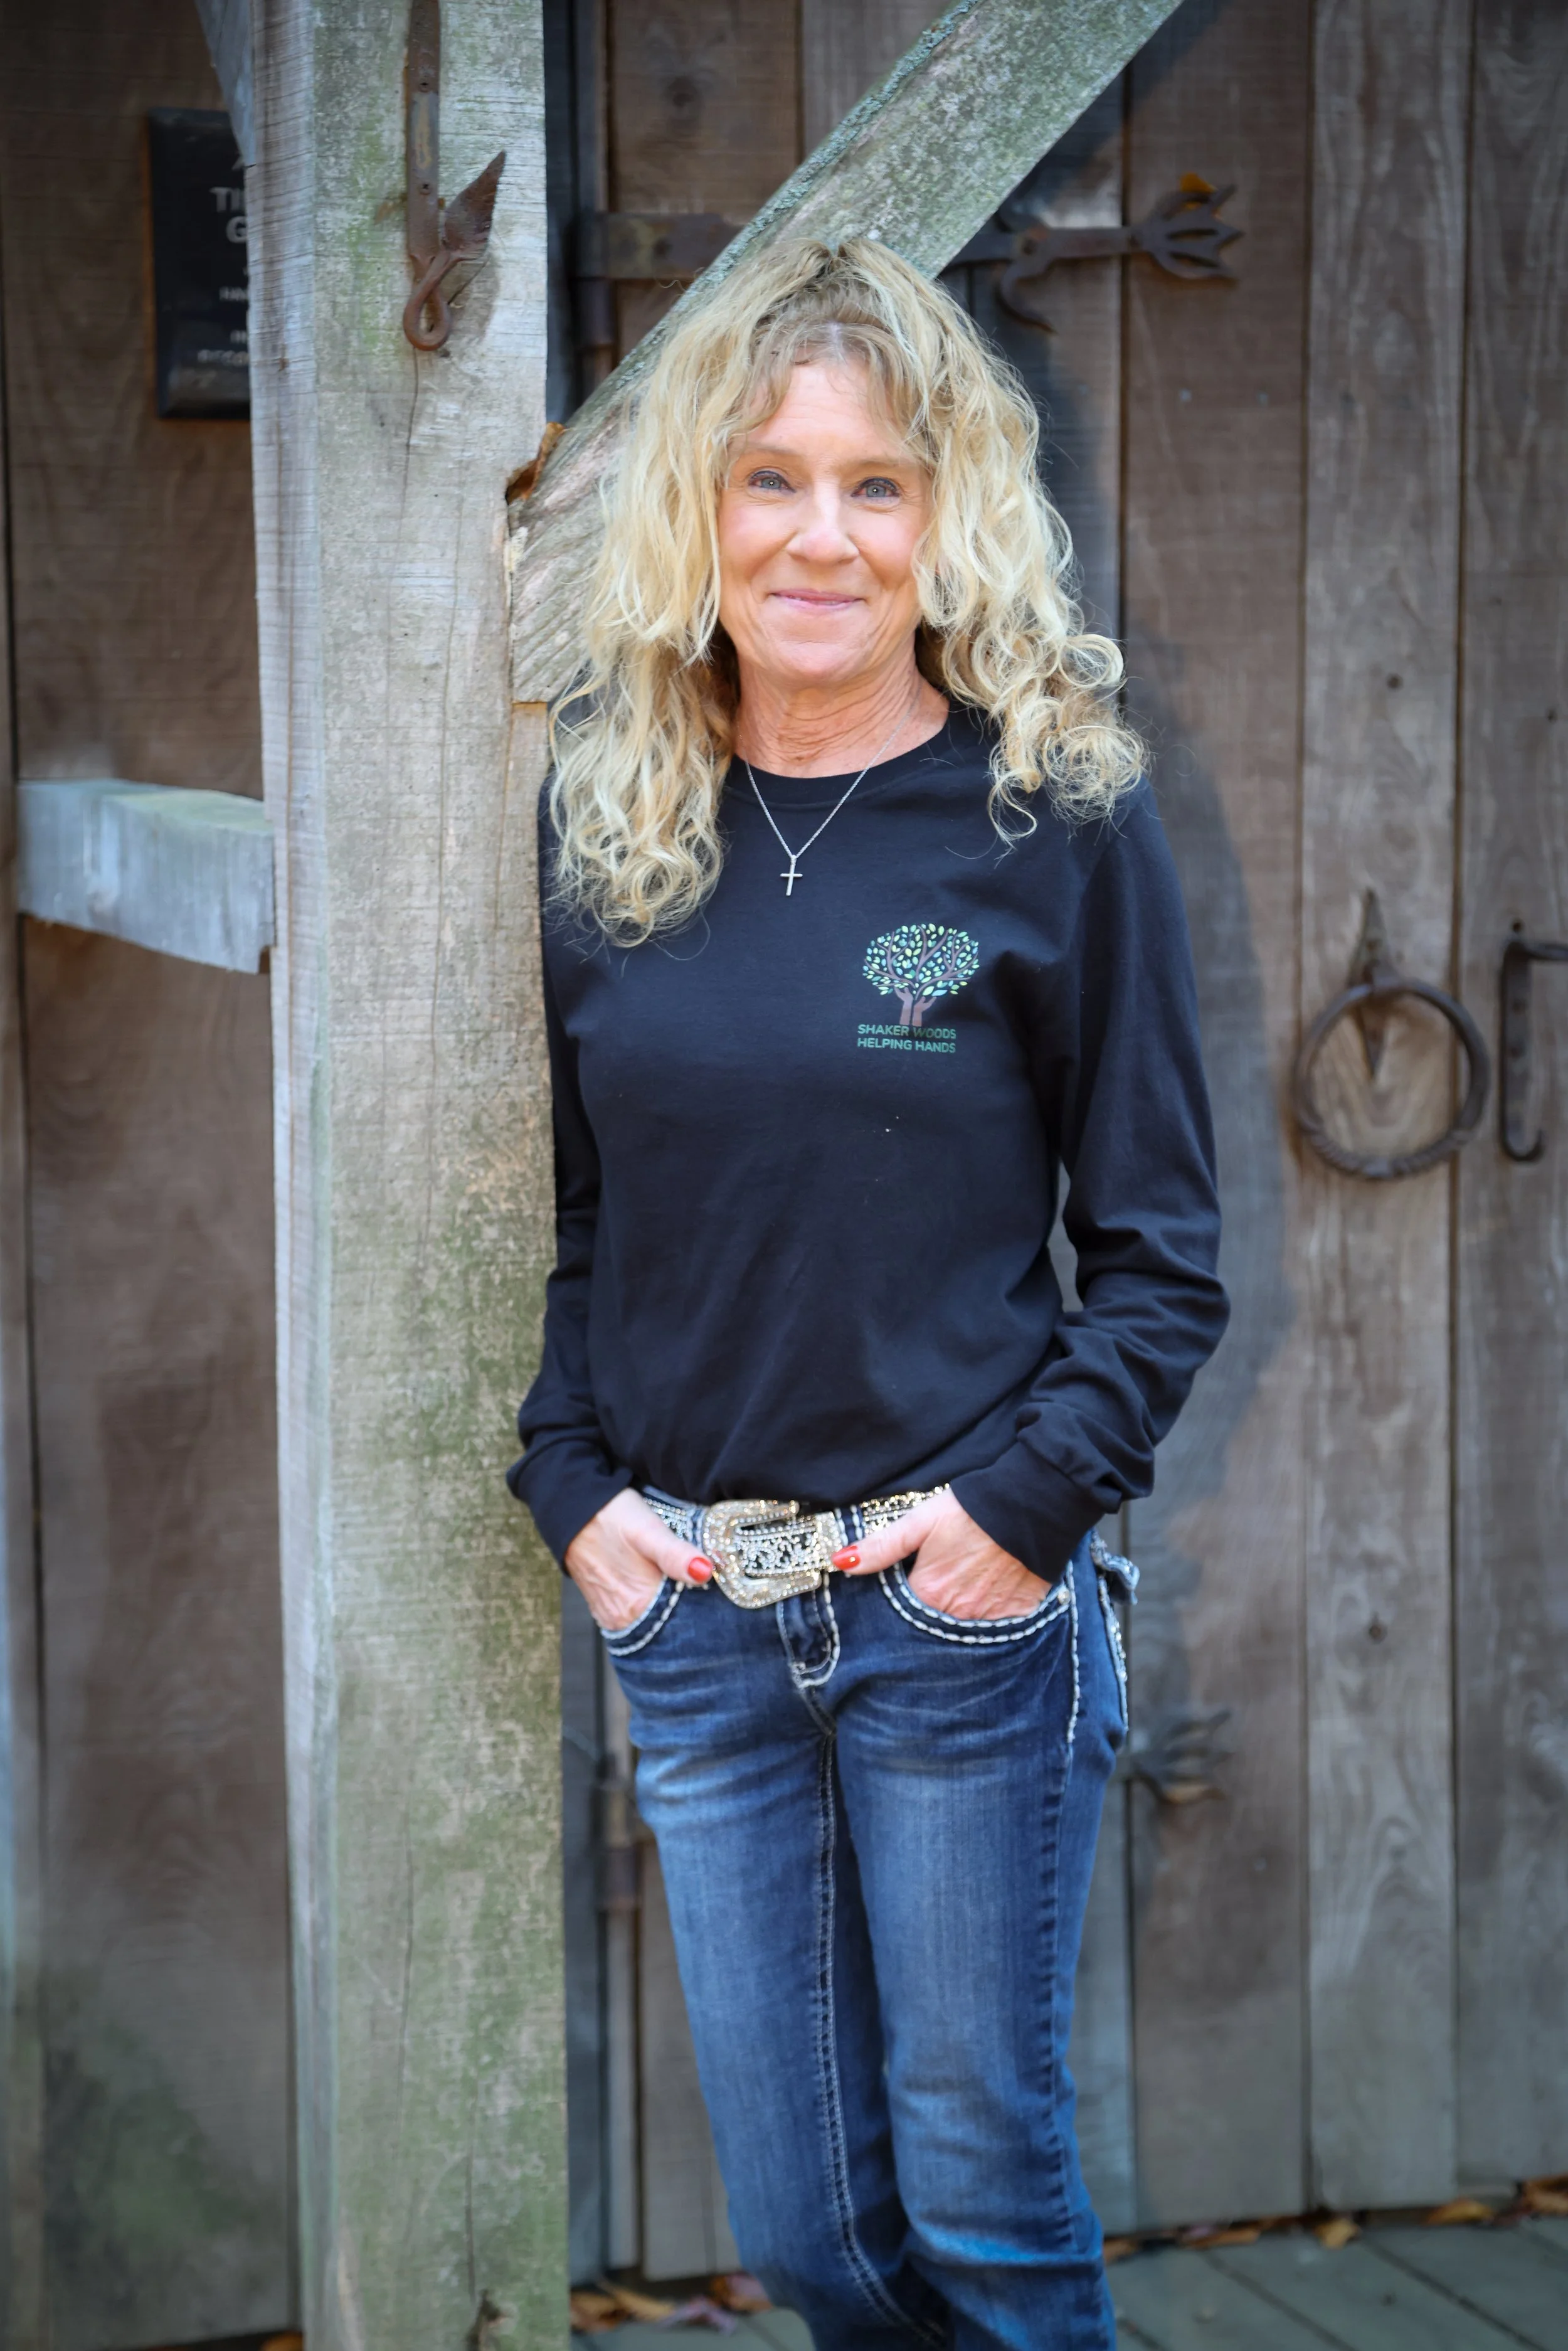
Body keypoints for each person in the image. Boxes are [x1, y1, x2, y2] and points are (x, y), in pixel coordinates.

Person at [511, 236, 1227, 2351]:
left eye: (877, 484)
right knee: (814, 2238)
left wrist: (1016, 1522)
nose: (818, 533)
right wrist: (575, 1496)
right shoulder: (608, 810)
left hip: (953, 1620)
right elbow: (583, 1221)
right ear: (694, 513)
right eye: (765, 478)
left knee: (985, 2209)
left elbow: (1164, 1252)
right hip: (703, 1623)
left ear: (949, 520)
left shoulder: (1051, 820)